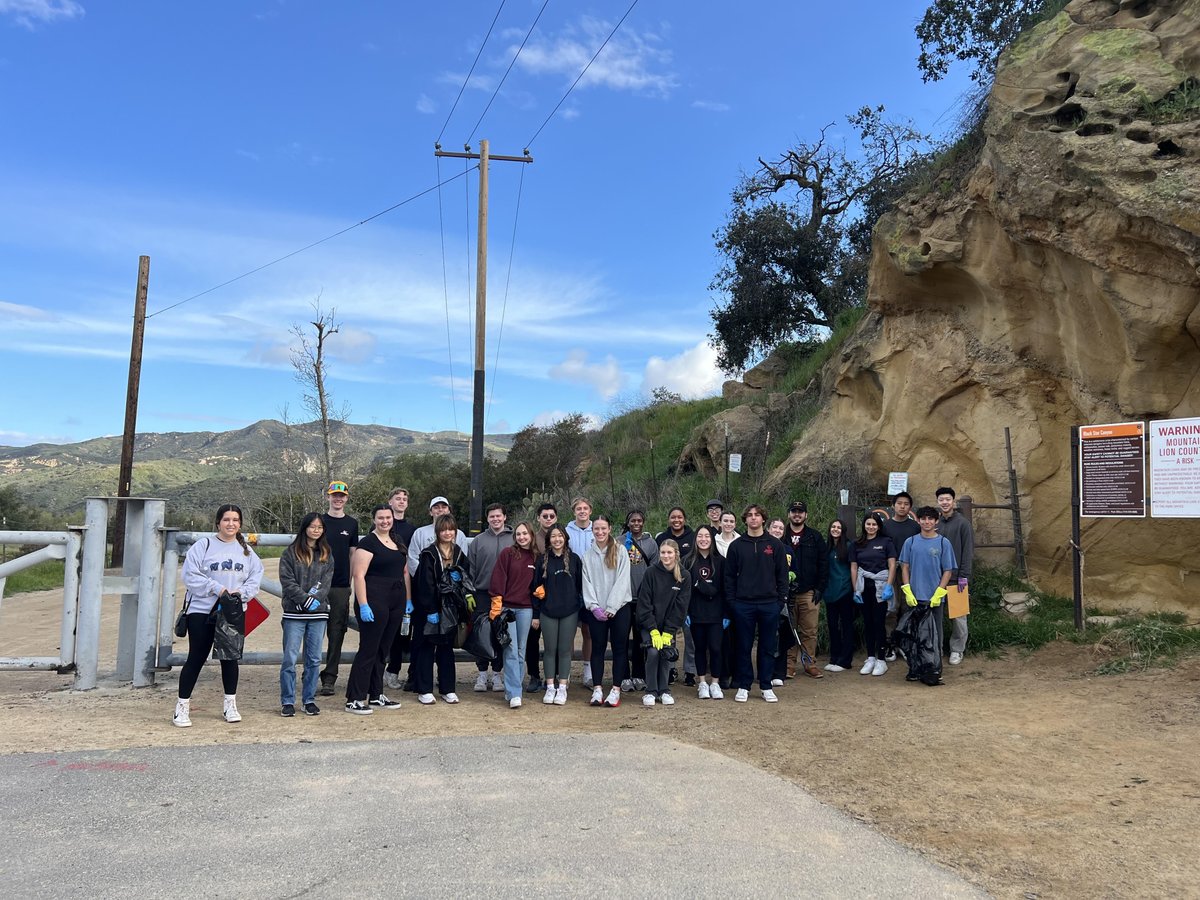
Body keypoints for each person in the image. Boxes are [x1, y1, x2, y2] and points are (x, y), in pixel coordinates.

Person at [173, 504, 264, 727]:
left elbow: (255, 577)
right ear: (218, 522)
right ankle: (182, 707)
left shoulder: (246, 551)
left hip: (232, 612)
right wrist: (217, 588)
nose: (230, 524)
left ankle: (230, 704)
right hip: (202, 610)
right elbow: (190, 575)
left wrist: (240, 594)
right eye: (226, 520)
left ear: (240, 523)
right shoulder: (203, 546)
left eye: (235, 520)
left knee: (230, 658)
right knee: (196, 657)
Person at [345, 505, 409, 714]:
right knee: (368, 650)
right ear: (374, 520)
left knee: (383, 650)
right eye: (380, 518)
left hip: (396, 599)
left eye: (388, 517)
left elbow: (405, 571)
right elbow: (358, 575)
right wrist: (363, 604)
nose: (385, 521)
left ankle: (376, 694)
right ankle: (354, 698)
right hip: (374, 598)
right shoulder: (367, 543)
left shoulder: (397, 540)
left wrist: (407, 599)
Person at [724, 504, 788, 703]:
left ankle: (766, 685)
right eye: (750, 516)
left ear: (763, 519)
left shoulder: (775, 545)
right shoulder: (736, 545)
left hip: (770, 604)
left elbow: (782, 576)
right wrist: (732, 602)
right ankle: (744, 685)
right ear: (745, 520)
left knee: (768, 646)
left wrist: (780, 601)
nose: (753, 518)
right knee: (743, 646)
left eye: (757, 515)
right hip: (743, 605)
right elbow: (729, 577)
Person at [413, 513, 473, 705]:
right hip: (430, 610)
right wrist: (430, 610)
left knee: (446, 649)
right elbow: (424, 584)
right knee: (426, 648)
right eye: (443, 529)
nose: (447, 533)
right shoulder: (428, 554)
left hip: (451, 610)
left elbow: (466, 578)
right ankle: (424, 689)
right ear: (437, 532)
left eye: (451, 529)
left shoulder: (459, 554)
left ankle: (448, 689)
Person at [278, 513, 334, 717]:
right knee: (290, 659)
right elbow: (287, 580)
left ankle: (309, 699)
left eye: (319, 527)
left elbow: (326, 582)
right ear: (304, 528)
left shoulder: (326, 553)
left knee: (313, 659)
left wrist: (314, 601)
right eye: (312, 526)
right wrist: (303, 600)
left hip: (318, 615)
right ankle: (287, 701)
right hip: (294, 614)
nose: (316, 530)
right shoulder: (290, 553)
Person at [581, 514, 632, 708]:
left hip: (619, 609)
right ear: (592, 531)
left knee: (620, 649)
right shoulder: (587, 555)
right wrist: (594, 607)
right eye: (596, 529)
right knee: (598, 649)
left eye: (603, 528)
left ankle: (616, 689)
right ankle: (597, 689)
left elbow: (622, 581)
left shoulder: (620, 551)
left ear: (610, 529)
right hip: (597, 611)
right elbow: (586, 583)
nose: (600, 532)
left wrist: (612, 607)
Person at [899, 506, 956, 677]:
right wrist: (907, 589)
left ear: (936, 521)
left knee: (935, 633)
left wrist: (940, 591)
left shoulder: (943, 542)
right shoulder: (911, 542)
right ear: (918, 520)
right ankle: (915, 668)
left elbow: (948, 570)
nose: (927, 522)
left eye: (930, 519)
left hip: (934, 598)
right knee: (914, 634)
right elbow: (905, 566)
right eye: (923, 518)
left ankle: (934, 667)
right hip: (915, 597)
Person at [635, 538, 690, 707]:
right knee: (652, 652)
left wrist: (668, 631)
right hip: (648, 624)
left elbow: (680, 608)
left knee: (666, 652)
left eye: (669, 553)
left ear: (676, 554)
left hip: (668, 627)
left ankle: (664, 690)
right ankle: (651, 691)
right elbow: (644, 605)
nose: (666, 556)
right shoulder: (651, 572)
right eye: (663, 553)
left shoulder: (684, 576)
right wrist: (653, 630)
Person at [489, 521, 538, 708]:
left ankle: (512, 689)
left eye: (525, 533)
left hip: (526, 608)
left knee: (520, 651)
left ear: (531, 535)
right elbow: (498, 577)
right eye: (518, 534)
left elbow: (539, 581)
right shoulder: (508, 554)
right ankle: (515, 692)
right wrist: (497, 603)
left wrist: (540, 591)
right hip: (507, 609)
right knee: (510, 649)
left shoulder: (536, 557)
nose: (522, 537)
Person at [532, 524, 583, 706]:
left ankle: (562, 687)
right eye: (553, 536)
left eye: (560, 536)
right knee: (550, 650)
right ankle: (550, 686)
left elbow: (579, 587)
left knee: (564, 650)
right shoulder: (542, 560)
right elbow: (536, 589)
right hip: (548, 611)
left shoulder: (575, 560)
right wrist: (536, 614)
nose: (557, 539)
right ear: (549, 540)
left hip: (569, 611)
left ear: (565, 538)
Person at [319, 481, 359, 697]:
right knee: (313, 631)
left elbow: (353, 554)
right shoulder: (319, 521)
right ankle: (309, 673)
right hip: (317, 585)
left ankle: (329, 678)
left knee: (336, 632)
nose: (338, 499)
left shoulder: (352, 524)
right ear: (328, 497)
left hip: (340, 585)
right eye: (334, 495)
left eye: (341, 496)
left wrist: (350, 583)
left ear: (346, 498)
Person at [467, 502, 511, 692]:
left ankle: (497, 674)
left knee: (500, 634)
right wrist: (472, 592)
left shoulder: (513, 539)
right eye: (492, 516)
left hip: (506, 594)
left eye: (498, 516)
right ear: (487, 519)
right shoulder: (478, 541)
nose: (495, 519)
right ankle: (482, 674)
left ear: (504, 517)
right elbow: (471, 569)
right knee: (482, 634)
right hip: (483, 594)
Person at [782, 500, 828, 679]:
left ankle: (810, 663)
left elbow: (823, 564)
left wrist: (820, 588)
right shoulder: (781, 536)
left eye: (800, 512)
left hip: (809, 592)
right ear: (789, 514)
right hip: (786, 593)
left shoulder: (814, 537)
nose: (797, 514)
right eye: (794, 511)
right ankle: (788, 665)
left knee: (809, 631)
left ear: (806, 515)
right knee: (789, 629)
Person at [849, 512, 897, 677]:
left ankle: (881, 659)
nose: (871, 527)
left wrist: (889, 586)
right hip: (864, 587)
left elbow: (892, 565)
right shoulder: (857, 544)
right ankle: (870, 657)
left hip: (880, 587)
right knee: (868, 622)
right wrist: (856, 589)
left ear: (879, 526)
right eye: (868, 524)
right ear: (864, 525)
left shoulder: (886, 542)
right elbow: (854, 567)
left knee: (879, 622)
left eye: (874, 524)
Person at [656, 506, 697, 686]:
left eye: (680, 517)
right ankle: (670, 669)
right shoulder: (661, 538)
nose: (676, 520)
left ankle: (690, 671)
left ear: (685, 519)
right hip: (665, 591)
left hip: (687, 588)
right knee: (668, 633)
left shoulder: (693, 537)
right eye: (673, 517)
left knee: (689, 635)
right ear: (668, 519)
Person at [685, 525, 726, 699]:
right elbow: (684, 590)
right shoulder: (688, 561)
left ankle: (715, 683)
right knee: (699, 648)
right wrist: (685, 612)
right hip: (696, 612)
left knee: (716, 648)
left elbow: (725, 589)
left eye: (707, 536)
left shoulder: (720, 561)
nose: (703, 539)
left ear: (711, 539)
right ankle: (702, 682)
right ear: (695, 539)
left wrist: (727, 614)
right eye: (700, 536)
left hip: (716, 613)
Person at [382, 487, 417, 690]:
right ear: (390, 502)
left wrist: (409, 596)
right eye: (398, 498)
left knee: (402, 633)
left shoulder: (413, 531)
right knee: (382, 632)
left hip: (404, 587)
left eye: (405, 498)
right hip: (382, 587)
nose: (402, 501)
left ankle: (393, 671)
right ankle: (378, 670)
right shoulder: (381, 526)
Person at [620, 510, 658, 692]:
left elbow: (656, 569)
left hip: (643, 598)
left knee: (639, 639)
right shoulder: (619, 542)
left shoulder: (651, 543)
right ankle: (624, 676)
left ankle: (638, 674)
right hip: (623, 598)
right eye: (633, 520)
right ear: (628, 523)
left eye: (639, 520)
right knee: (621, 638)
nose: (636, 523)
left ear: (643, 522)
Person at [936, 486, 975, 666]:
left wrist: (964, 576)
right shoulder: (935, 523)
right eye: (941, 499)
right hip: (936, 578)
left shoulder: (963, 523)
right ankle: (935, 647)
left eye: (948, 499)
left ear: (953, 501)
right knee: (935, 615)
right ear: (938, 502)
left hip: (957, 578)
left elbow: (967, 551)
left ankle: (957, 650)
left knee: (958, 617)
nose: (945, 502)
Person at [879, 491, 920, 662]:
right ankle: (890, 643)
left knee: (908, 607)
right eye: (899, 503)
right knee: (891, 609)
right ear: (893, 506)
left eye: (906, 504)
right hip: (891, 573)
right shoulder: (886, 526)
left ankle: (905, 642)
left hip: (911, 573)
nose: (902, 506)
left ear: (910, 507)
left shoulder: (915, 527)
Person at [526, 502, 559, 693]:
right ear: (538, 518)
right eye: (544, 516)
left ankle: (552, 676)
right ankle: (534, 675)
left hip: (555, 595)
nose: (548, 519)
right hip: (534, 593)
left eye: (551, 516)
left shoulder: (560, 537)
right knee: (532, 637)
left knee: (553, 639)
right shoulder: (532, 539)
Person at [565, 497, 596, 688]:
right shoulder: (567, 532)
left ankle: (588, 672)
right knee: (568, 632)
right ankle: (565, 673)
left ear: (590, 511)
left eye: (585, 508)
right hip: (571, 588)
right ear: (574, 511)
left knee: (588, 631)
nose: (582, 511)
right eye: (579, 508)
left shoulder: (598, 529)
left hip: (592, 588)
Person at [823, 520, 855, 672]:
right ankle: (834, 657)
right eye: (833, 526)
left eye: (839, 527)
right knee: (832, 626)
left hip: (845, 592)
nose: (835, 529)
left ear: (843, 530)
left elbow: (853, 569)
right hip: (830, 593)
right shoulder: (827, 547)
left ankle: (845, 660)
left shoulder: (848, 547)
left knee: (846, 626)